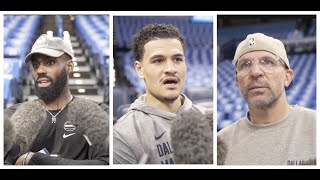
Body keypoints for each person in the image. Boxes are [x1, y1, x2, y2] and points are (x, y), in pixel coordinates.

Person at [4, 34, 109, 165]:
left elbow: (104, 164)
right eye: (36, 65)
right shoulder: (12, 115)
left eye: (50, 62)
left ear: (69, 66)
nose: (40, 70)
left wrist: (36, 160)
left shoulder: (95, 113)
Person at [113, 23, 210, 164]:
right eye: (158, 61)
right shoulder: (123, 134)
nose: (170, 69)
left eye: (177, 59)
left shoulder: (208, 120)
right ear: (139, 69)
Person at [217, 33, 316, 165]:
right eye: (245, 64)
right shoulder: (221, 143)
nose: (255, 72)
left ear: (287, 77)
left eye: (268, 62)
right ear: (237, 81)